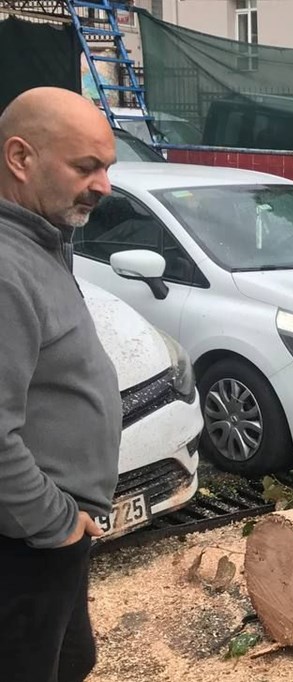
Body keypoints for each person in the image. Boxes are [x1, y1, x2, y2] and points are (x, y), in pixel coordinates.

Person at [0, 87, 122, 682]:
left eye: (107, 167)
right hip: (24, 547)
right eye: (86, 167)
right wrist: (56, 523)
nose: (103, 185)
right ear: (20, 159)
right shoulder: (4, 267)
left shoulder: (40, 242)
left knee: (72, 661)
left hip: (51, 541)